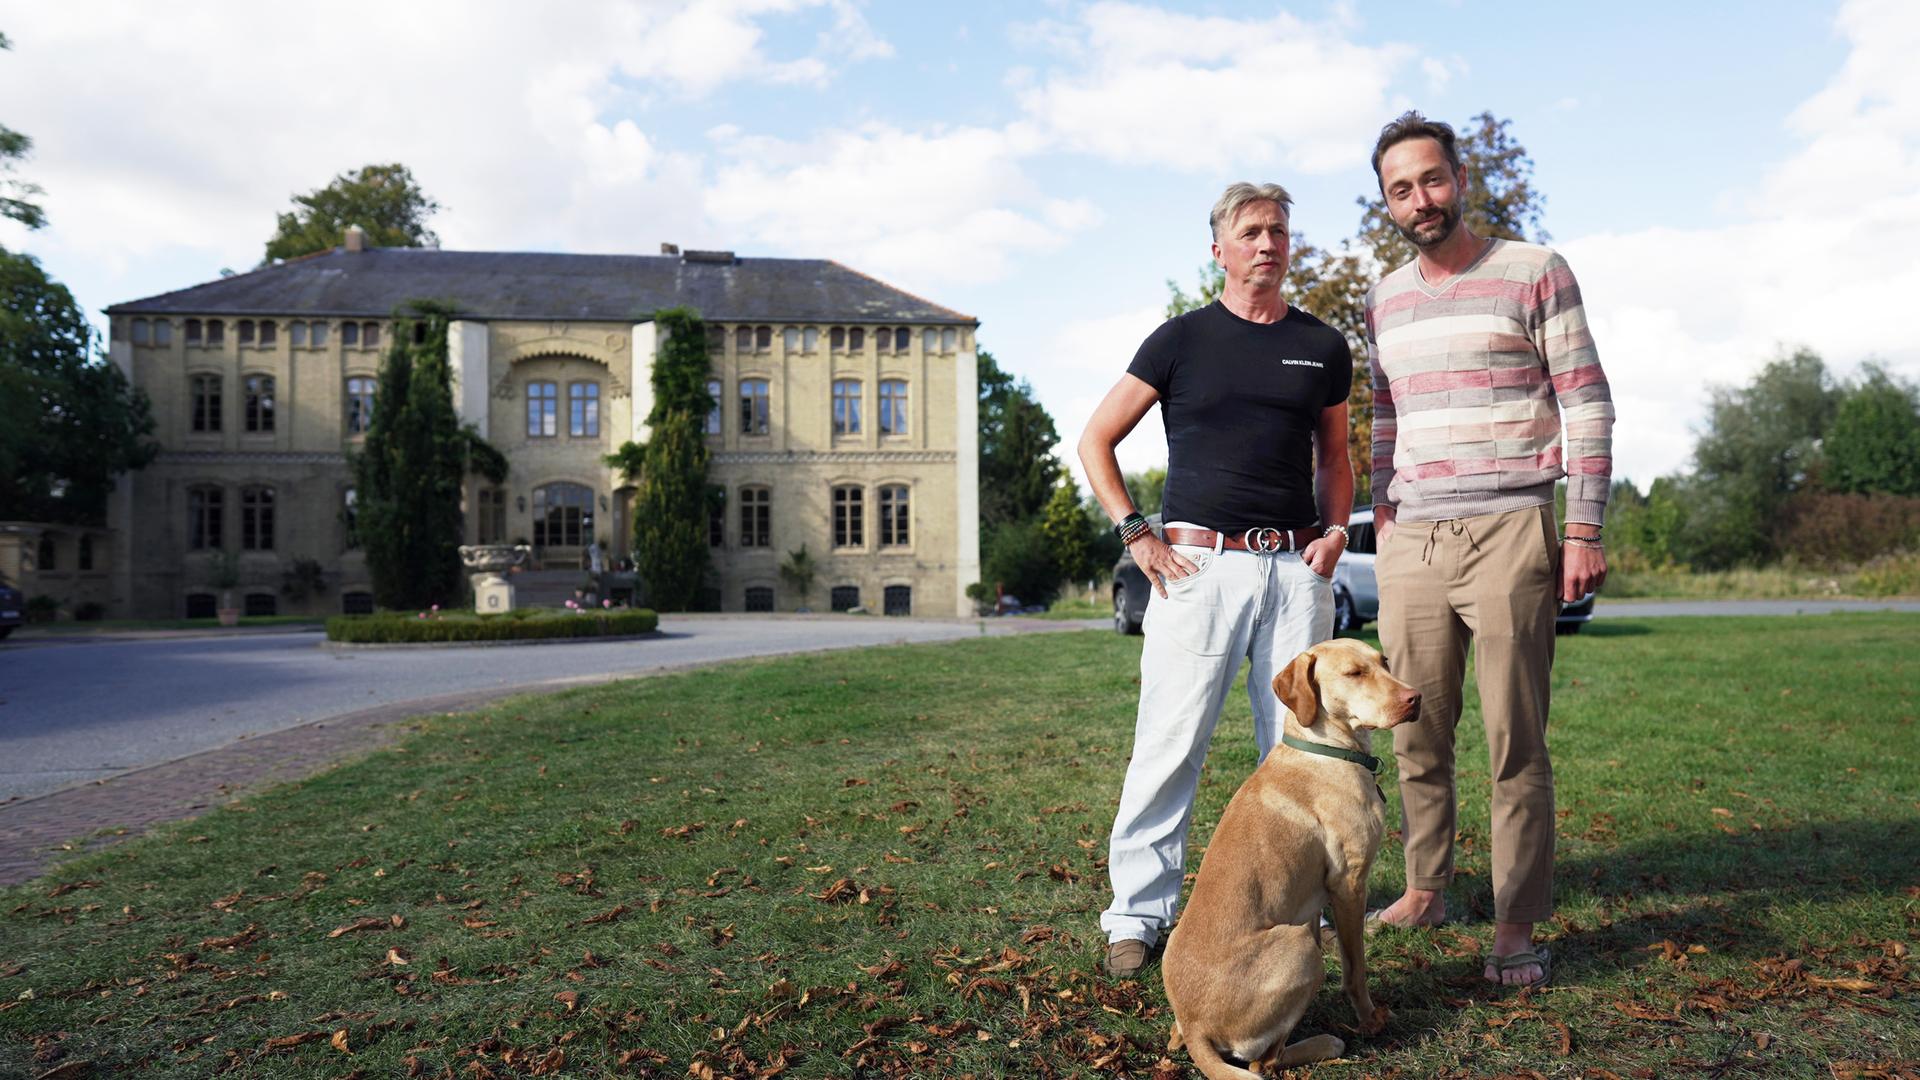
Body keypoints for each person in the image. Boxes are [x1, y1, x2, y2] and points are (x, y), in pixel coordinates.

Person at [1361, 111, 1615, 988]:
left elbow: (1586, 402)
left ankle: (1516, 921)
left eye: (1432, 180)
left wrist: (1581, 527)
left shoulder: (1534, 270)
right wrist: (1383, 511)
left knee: (1515, 741)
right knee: (1416, 732)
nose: (1420, 199)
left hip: (1512, 527)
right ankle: (1427, 886)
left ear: (1459, 178)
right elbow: (1385, 414)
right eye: (1401, 189)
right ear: (1386, 203)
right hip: (1414, 539)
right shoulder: (1383, 298)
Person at [1078, 181, 1354, 979]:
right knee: (1170, 746)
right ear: (1220, 249)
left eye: (1278, 231)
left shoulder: (1324, 347)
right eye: (1250, 231)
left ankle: (1297, 909)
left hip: (1297, 571)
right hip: (1199, 569)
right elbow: (1097, 438)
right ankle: (1136, 918)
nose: (1267, 243)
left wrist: (1336, 534)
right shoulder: (1180, 340)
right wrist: (1137, 531)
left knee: (1305, 751)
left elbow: (1333, 458)